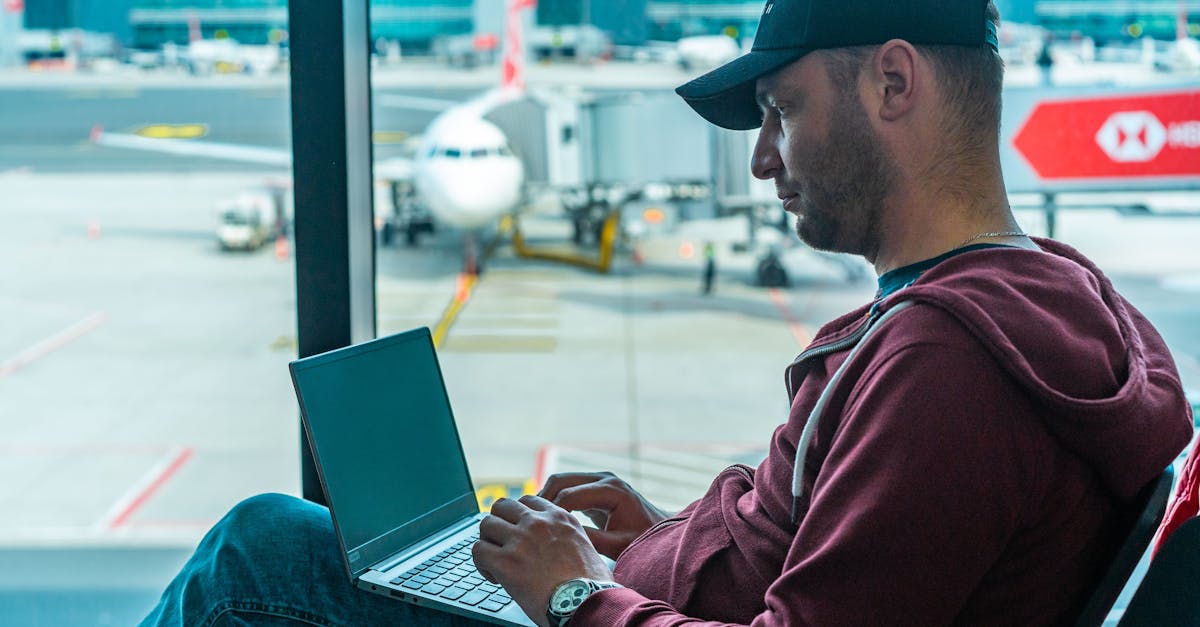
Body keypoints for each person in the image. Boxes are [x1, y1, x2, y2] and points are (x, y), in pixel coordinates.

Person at [142, 0, 1194, 625]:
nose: (762, 158)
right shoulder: (1062, 292)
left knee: (257, 554)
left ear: (893, 82)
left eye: (782, 112)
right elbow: (843, 560)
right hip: (642, 594)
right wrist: (673, 535)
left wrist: (572, 598)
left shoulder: (948, 370)